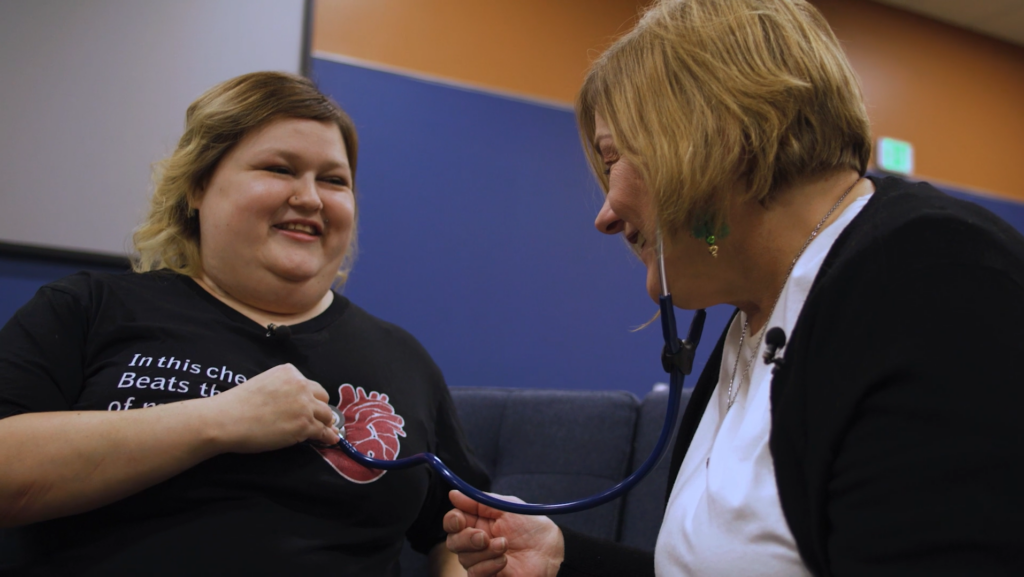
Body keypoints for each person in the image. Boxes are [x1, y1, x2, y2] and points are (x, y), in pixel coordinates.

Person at [443, 0, 1024, 575]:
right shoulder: (750, 325)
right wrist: (562, 558)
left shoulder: (936, 277)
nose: (606, 217)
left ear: (709, 132)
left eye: (613, 157)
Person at [0, 71, 486, 576]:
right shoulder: (89, 307)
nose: (311, 198)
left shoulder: (402, 358)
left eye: (334, 180)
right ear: (197, 186)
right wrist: (217, 419)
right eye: (279, 168)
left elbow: (463, 534)